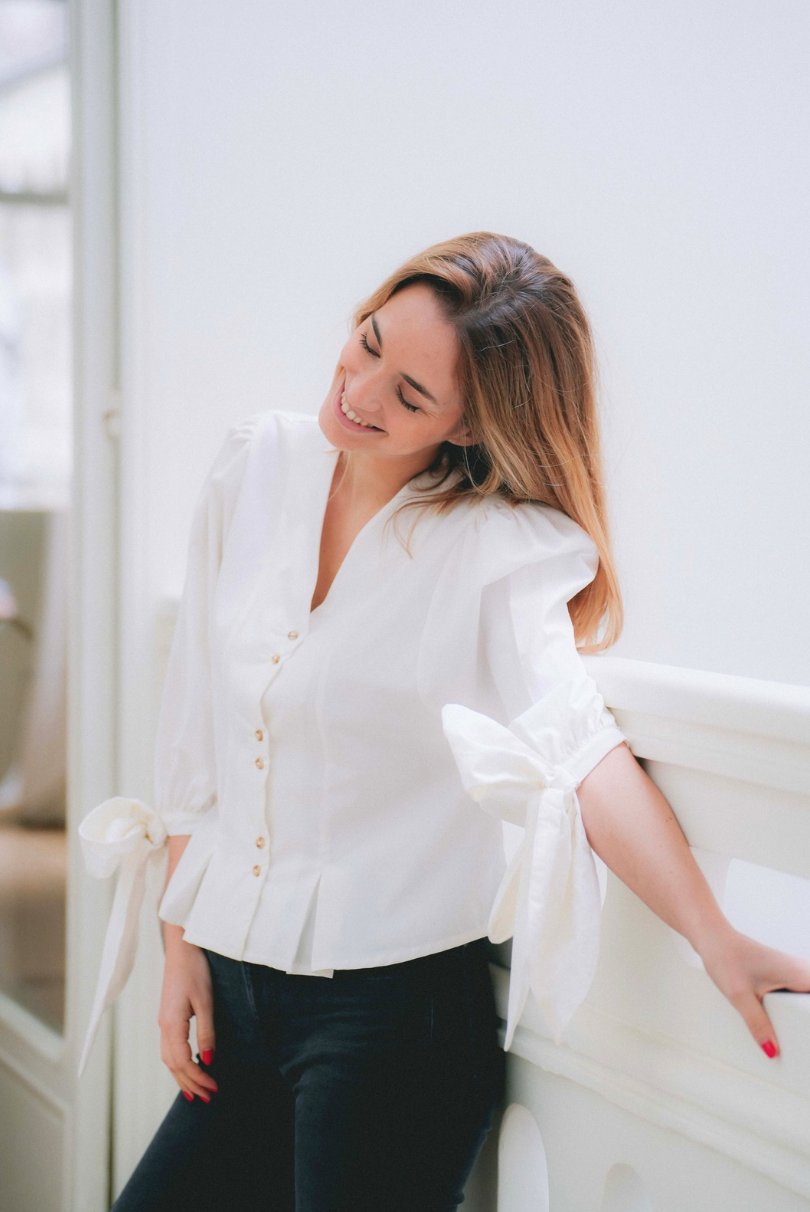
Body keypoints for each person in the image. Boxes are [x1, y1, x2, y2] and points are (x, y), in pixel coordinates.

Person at [79, 232, 810, 1212]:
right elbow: (193, 734)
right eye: (371, 340)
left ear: (471, 426)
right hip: (239, 997)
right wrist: (180, 943)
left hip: (392, 1027)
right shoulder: (256, 463)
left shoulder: (492, 556)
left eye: (412, 395)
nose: (362, 391)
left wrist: (714, 935)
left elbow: (580, 751)